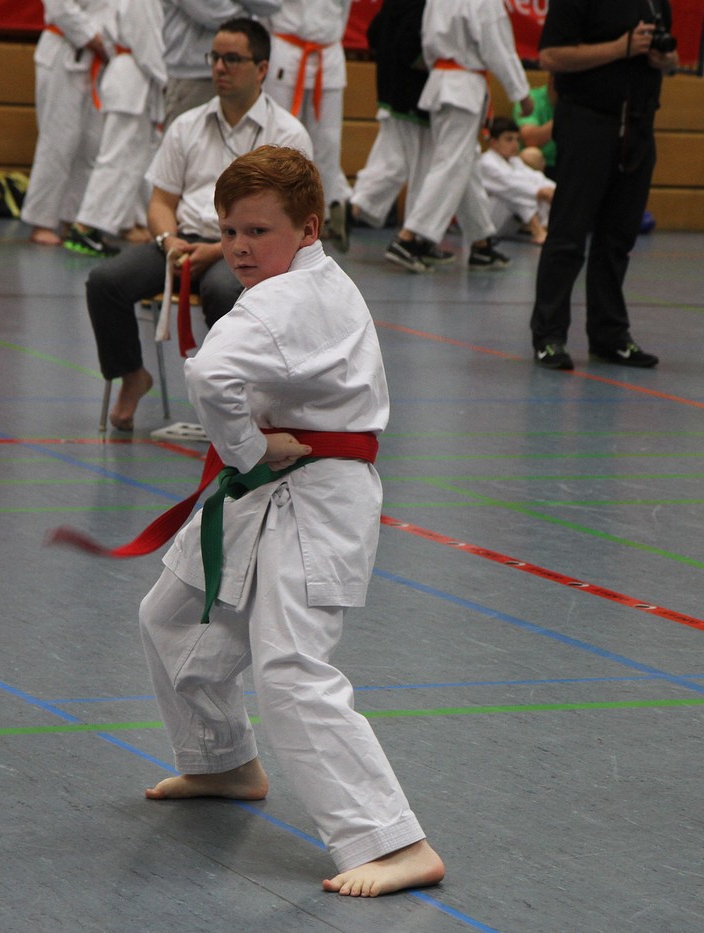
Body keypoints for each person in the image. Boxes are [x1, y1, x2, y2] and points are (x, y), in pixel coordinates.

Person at [135, 145, 445, 898]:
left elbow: (210, 374)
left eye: (258, 232)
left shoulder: (290, 298)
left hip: (315, 496)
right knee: (169, 617)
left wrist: (245, 446)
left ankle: (396, 841)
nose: (240, 248)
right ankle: (223, 762)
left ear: (308, 228)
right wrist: (252, 451)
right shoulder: (297, 283)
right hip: (271, 487)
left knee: (292, 670)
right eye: (229, 231)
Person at [85, 18, 311, 432]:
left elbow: (294, 220)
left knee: (223, 290)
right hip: (182, 242)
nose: (220, 68)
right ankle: (132, 375)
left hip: (249, 247)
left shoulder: (288, 134)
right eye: (215, 57)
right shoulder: (186, 125)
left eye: (232, 59)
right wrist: (167, 239)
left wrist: (225, 246)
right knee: (105, 282)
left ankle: (234, 400)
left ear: (262, 69)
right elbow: (161, 201)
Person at [528, 0, 678, 371]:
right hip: (587, 122)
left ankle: (610, 334)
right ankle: (549, 335)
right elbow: (551, 56)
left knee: (618, 238)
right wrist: (619, 48)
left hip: (639, 125)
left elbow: (670, 58)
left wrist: (664, 60)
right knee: (568, 234)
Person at [383, 0, 533, 273]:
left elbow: (427, 43)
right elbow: (498, 47)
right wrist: (521, 93)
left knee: (466, 163)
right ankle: (410, 238)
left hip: (441, 82)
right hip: (463, 87)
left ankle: (481, 242)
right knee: (452, 164)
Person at [66, 0, 167, 259]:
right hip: (134, 79)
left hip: (131, 78)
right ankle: (85, 226)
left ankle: (114, 224)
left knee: (132, 161)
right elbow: (149, 46)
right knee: (116, 159)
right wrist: (168, 81)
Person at [263, 0, 355, 252]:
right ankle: (274, 212)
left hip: (329, 52)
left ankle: (324, 216)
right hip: (285, 47)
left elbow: (345, 9)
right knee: (279, 138)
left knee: (329, 142)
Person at [21, 0, 104, 247]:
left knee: (91, 143)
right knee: (58, 141)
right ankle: (41, 221)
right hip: (64, 51)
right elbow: (60, 7)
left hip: (99, 58)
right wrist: (94, 38)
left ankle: (74, 219)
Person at [347, 0, 431, 233]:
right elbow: (410, 45)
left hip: (390, 92)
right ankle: (414, 234)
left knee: (392, 161)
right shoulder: (422, 5)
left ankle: (354, 209)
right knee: (422, 166)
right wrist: (433, 65)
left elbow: (374, 33)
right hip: (412, 95)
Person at [161, 0, 283, 125]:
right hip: (192, 77)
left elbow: (273, 3)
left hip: (242, 73)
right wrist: (249, 19)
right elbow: (214, 13)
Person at [479, 117, 555, 244]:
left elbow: (535, 177)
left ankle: (544, 227)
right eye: (509, 139)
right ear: (493, 142)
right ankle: (537, 230)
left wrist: (552, 189)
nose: (515, 144)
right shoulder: (486, 162)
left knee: (533, 188)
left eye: (517, 139)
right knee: (512, 193)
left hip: (507, 224)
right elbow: (512, 186)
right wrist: (540, 192)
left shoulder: (515, 161)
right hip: (488, 222)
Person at [514, 80, 557, 175]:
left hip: (576, 162)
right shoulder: (532, 99)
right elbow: (530, 139)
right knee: (530, 155)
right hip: (544, 165)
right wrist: (564, 114)